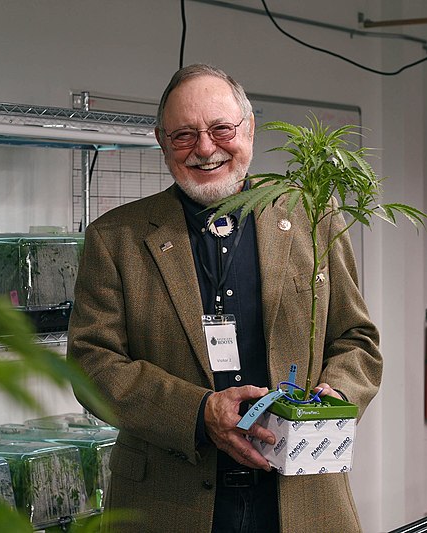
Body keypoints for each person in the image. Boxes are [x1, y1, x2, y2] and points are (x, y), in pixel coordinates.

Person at [67, 64, 382, 533]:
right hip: (166, 502)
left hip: (302, 499)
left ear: (249, 130)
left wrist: (335, 396)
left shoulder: (311, 215)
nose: (206, 148)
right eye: (184, 135)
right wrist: (198, 413)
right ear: (161, 141)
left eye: (221, 129)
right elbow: (92, 364)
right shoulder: (117, 237)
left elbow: (356, 338)